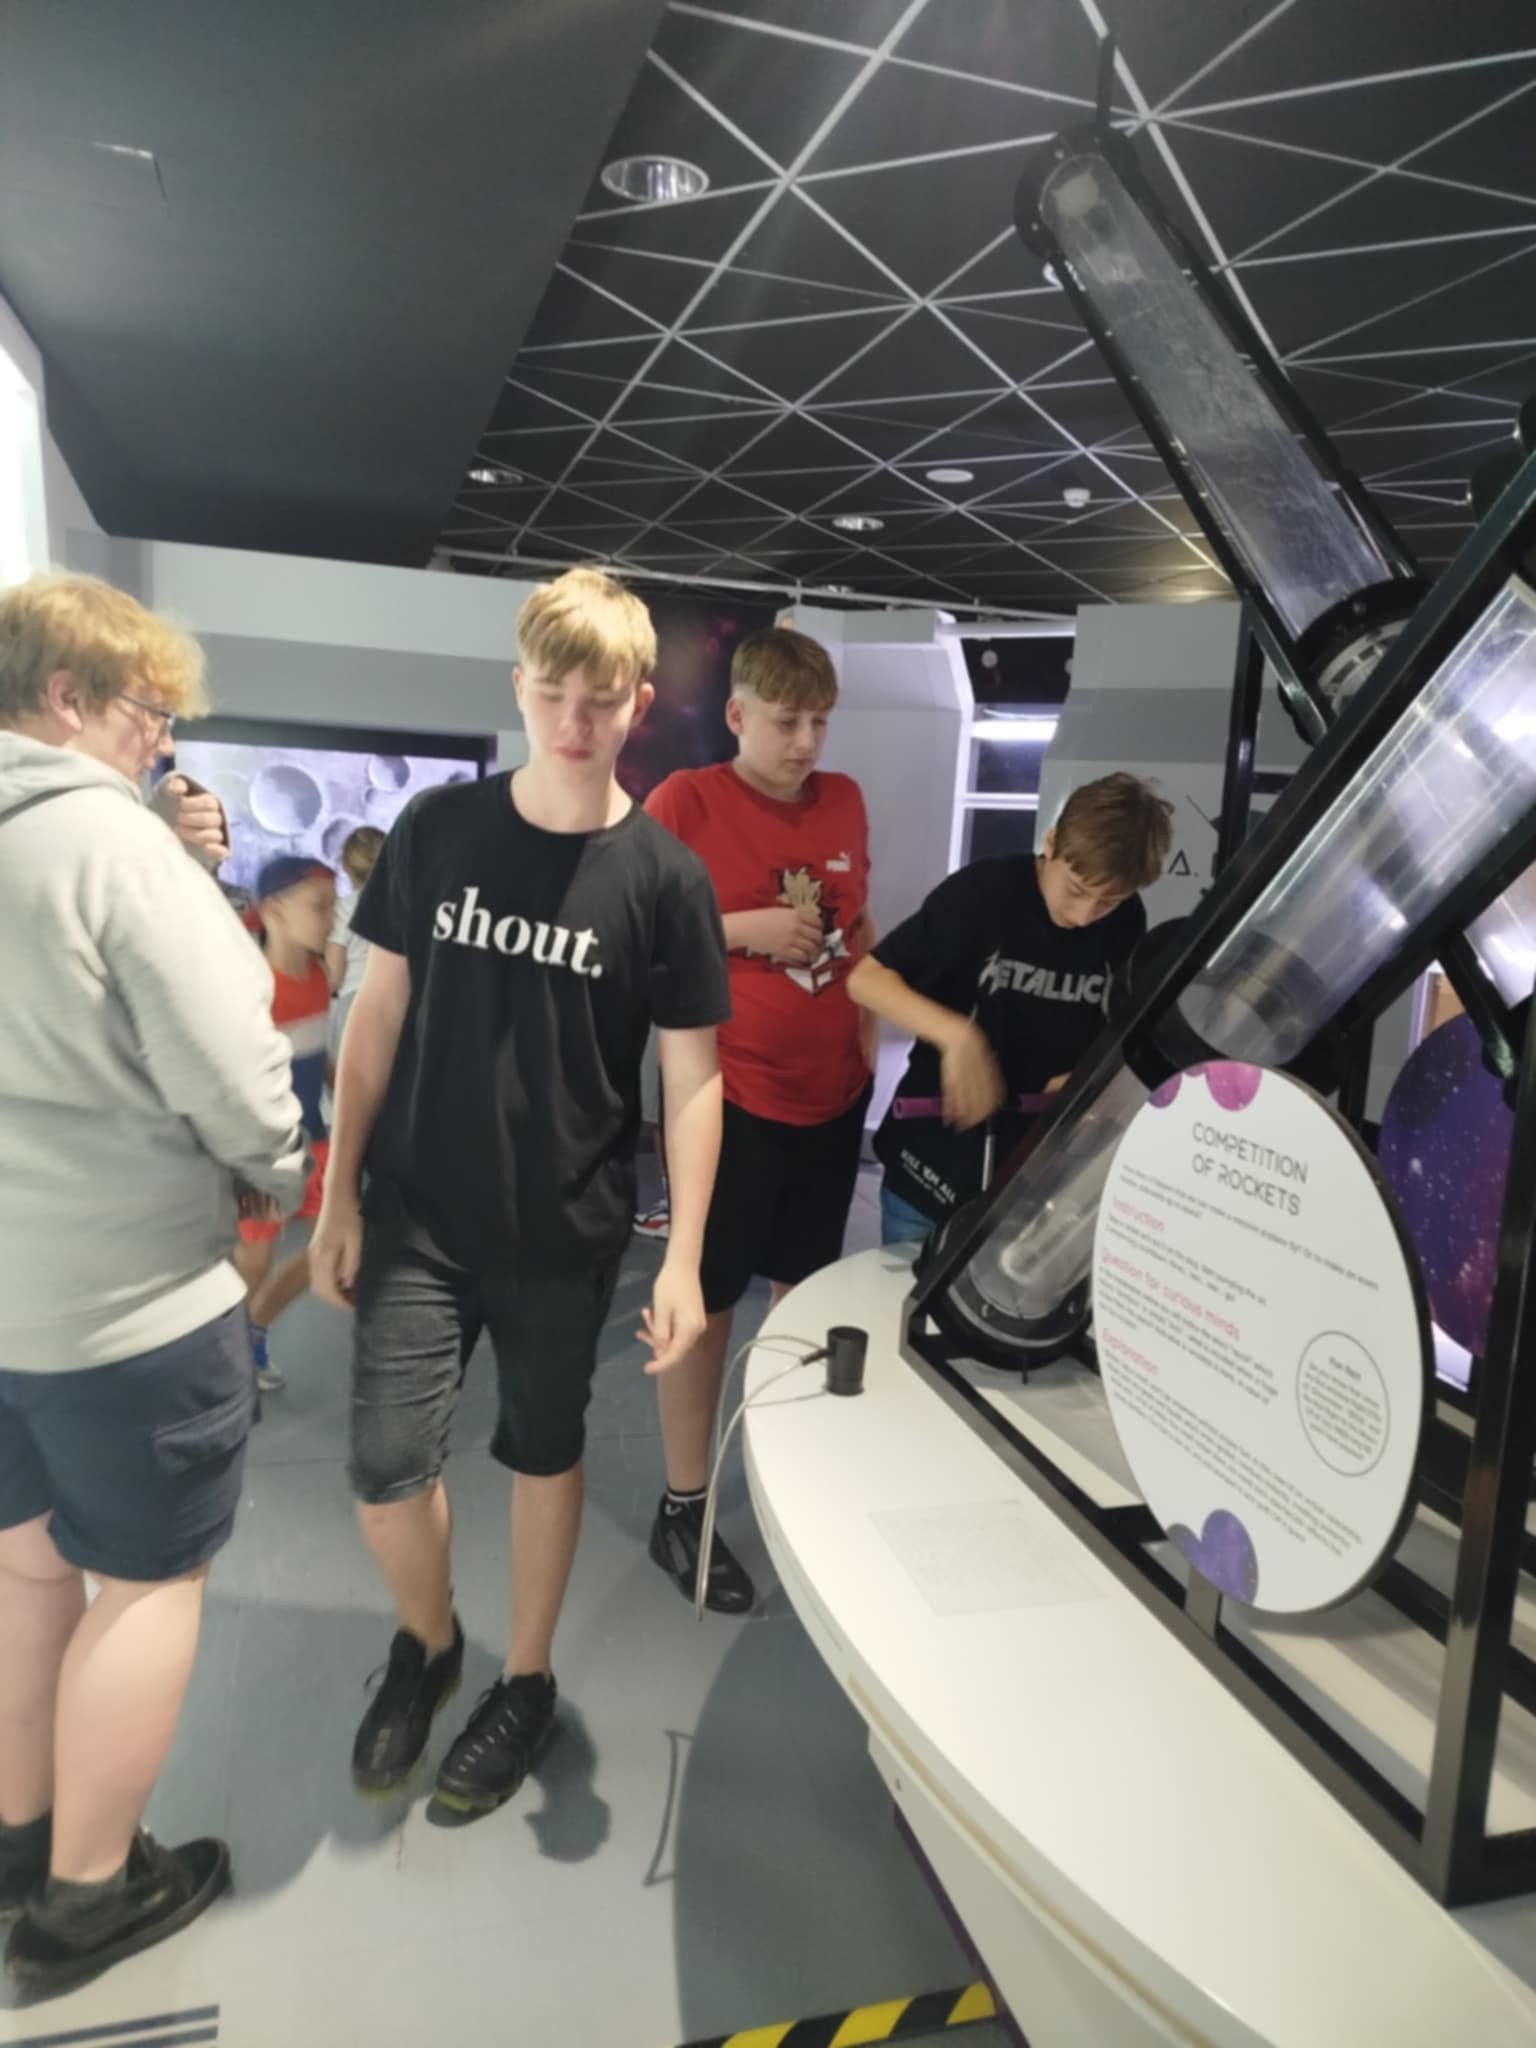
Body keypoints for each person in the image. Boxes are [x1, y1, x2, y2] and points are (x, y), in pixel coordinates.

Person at [308, 566, 729, 1816]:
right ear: (520, 688)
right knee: (387, 1468)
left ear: (639, 701)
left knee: (545, 1450)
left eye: (601, 699)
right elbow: (376, 1014)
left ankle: (527, 1676)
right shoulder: (440, 828)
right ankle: (431, 1641)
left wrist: (684, 1255)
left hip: (565, 1228)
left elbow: (692, 1077)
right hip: (420, 1213)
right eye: (552, 694)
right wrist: (337, 1194)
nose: (573, 722)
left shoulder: (664, 877)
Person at [0, 572, 306, 1993]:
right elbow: (239, 1080)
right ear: (66, 697)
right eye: (147, 710)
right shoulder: (115, 853)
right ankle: (89, 1890)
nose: (162, 739)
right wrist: (280, 1174)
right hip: (122, 1308)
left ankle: (19, 1834)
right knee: (145, 1583)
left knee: (22, 1565)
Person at [644, 626, 874, 1614]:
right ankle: (683, 1502)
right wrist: (746, 930)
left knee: (802, 1300)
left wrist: (868, 1037)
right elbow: (634, 931)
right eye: (786, 721)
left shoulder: (845, 798)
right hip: (729, 1099)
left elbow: (857, 924)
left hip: (832, 1096)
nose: (806, 742)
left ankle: (784, 1480)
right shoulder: (686, 800)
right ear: (738, 715)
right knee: (706, 1307)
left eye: (819, 721)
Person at [850, 772, 1172, 1246]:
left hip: (1031, 1173)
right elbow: (865, 980)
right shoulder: (982, 894)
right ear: (1051, 842)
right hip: (932, 1160)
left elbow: (1112, 1021)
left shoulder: (1127, 921)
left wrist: (1086, 1079)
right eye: (1076, 890)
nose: (1084, 916)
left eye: (1108, 901)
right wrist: (958, 1038)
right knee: (907, 1285)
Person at [236, 856, 338, 1393]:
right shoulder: (252, 988)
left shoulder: (319, 976)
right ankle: (226, 1348)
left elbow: (314, 1055)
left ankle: (251, 1330)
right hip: (265, 1151)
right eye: (319, 906)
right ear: (274, 911)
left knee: (327, 1241)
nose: (331, 918)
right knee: (254, 1260)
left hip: (314, 1140)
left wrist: (351, 1089)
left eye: (333, 906)